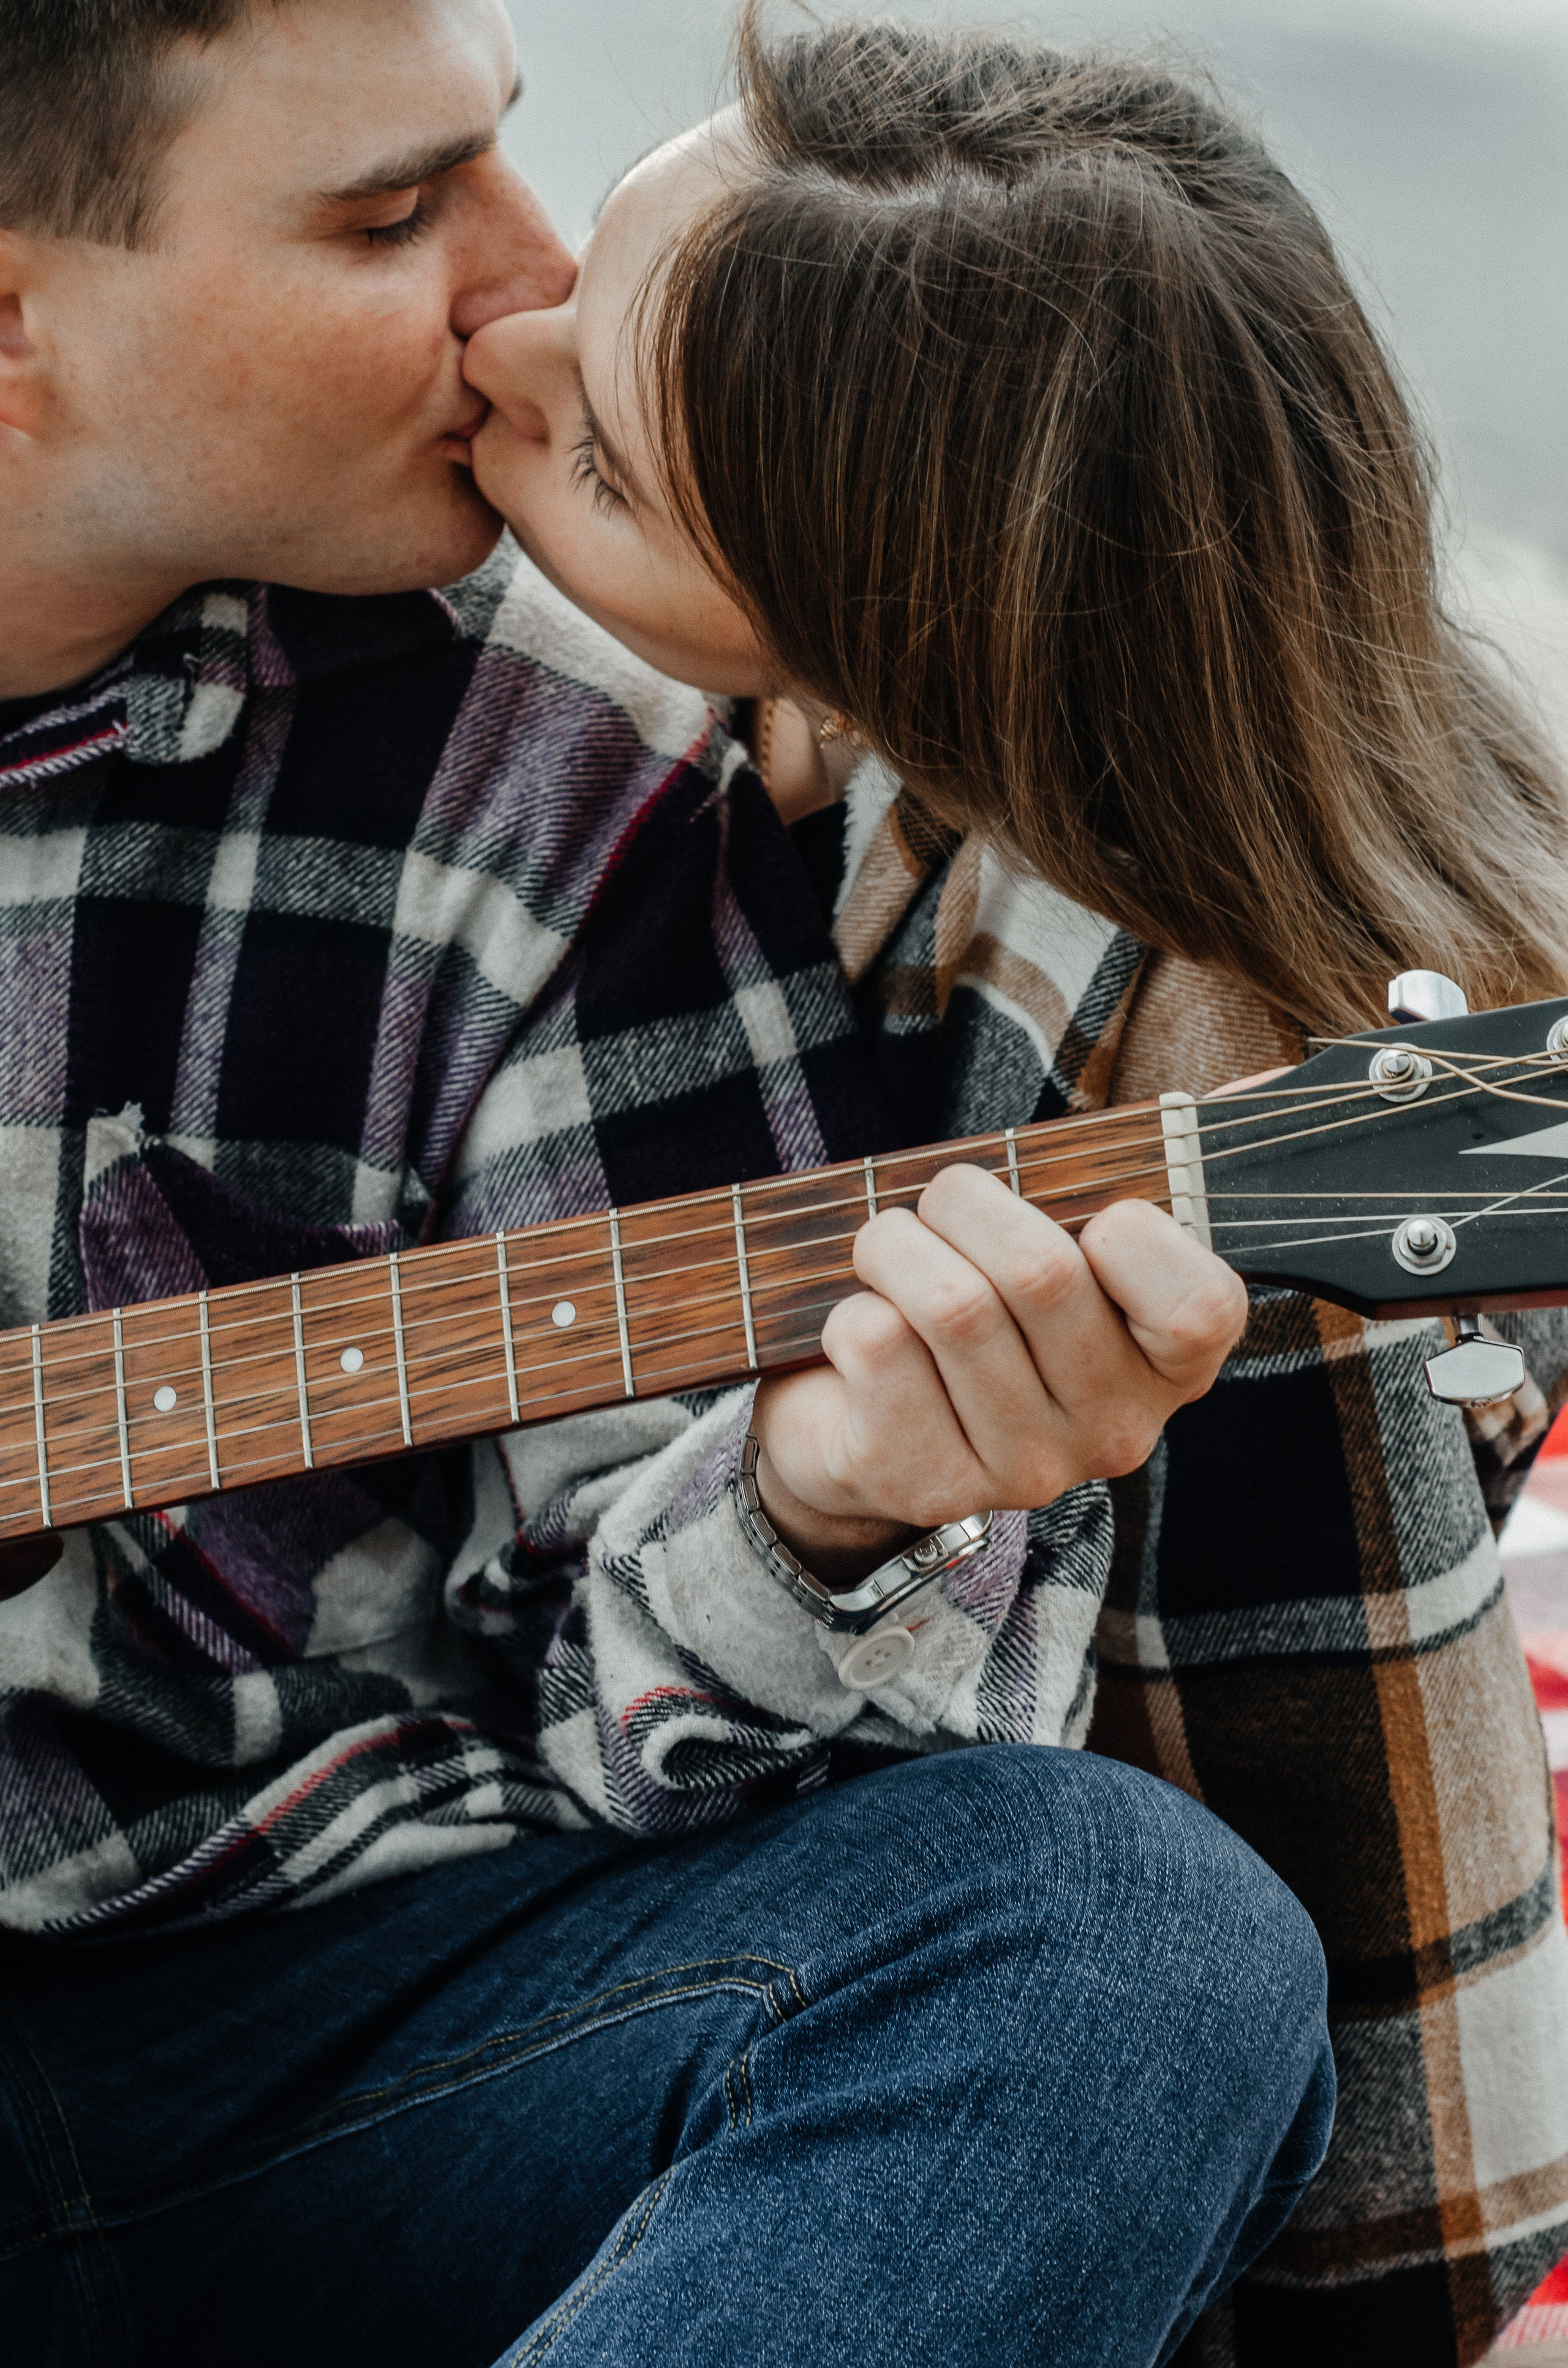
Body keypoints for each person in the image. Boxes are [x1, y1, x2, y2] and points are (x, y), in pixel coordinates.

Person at [0, 6, 1332, 2367]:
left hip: (317, 2037)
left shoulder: (553, 767)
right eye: (392, 216)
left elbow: (619, 1693)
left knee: (1116, 1941)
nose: (522, 286)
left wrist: (823, 1500)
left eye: (501, 158)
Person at [461, 15, 1568, 2364]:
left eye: (601, 455)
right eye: (594, 253)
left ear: (886, 639)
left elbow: (1339, 1805)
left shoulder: (1203, 1044)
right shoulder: (728, 751)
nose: (493, 342)